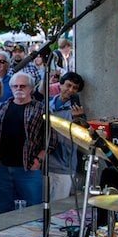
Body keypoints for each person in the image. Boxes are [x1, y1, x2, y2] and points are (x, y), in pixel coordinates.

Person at [0, 72, 47, 212]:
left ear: (31, 88)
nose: (18, 89)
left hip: (28, 168)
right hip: (3, 168)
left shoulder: (41, 108)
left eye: (23, 86)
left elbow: (50, 139)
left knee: (33, 212)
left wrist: (39, 160)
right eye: (15, 86)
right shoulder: (1, 108)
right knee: (5, 212)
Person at [47, 72, 85, 200]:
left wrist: (78, 118)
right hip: (45, 162)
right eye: (68, 85)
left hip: (64, 164)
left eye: (75, 88)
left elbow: (82, 136)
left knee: (58, 204)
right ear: (61, 85)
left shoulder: (76, 109)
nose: (70, 90)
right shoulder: (48, 104)